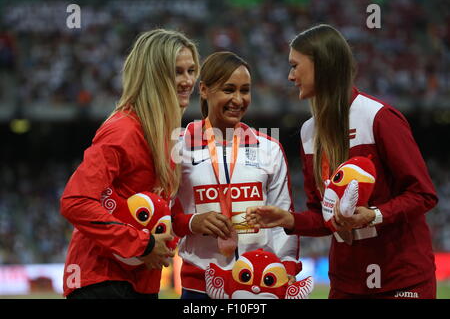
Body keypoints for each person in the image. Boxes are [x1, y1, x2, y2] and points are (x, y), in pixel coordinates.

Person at [246, 24, 438, 299]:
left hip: (401, 278)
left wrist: (374, 215)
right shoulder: (308, 132)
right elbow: (323, 217)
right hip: (347, 282)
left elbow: (423, 194)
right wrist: (288, 219)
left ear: (322, 65)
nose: (290, 76)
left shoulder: (379, 118)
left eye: (295, 66)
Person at [60, 29, 200, 299]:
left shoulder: (167, 137)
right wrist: (143, 245)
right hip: (102, 280)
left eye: (191, 71)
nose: (188, 81)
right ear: (154, 76)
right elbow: (75, 201)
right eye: (177, 72)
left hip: (140, 281)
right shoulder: (124, 130)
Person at [171, 51, 300, 299]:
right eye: (229, 90)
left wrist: (286, 267)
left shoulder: (269, 148)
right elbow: (162, 214)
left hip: (258, 284)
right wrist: (191, 222)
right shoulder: (180, 146)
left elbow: (284, 218)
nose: (238, 100)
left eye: (245, 90)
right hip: (200, 286)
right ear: (205, 90)